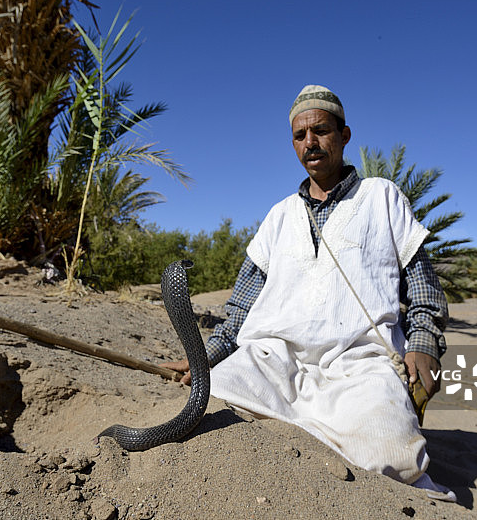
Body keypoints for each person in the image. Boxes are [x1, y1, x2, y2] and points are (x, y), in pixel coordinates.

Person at [162, 85, 453, 500]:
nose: (310, 143)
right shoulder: (279, 216)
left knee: (392, 458)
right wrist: (204, 358)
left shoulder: (381, 197)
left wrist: (423, 342)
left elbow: (423, 287)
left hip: (359, 364)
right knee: (213, 405)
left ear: (344, 135)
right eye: (300, 136)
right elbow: (242, 309)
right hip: (274, 359)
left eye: (320, 131)